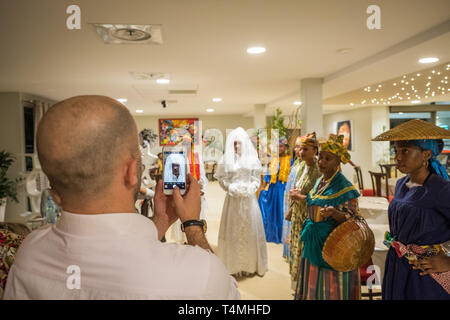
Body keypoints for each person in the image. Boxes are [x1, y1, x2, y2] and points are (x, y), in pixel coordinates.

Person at [4, 95, 240, 300]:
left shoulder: (30, 254)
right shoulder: (195, 273)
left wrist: (159, 223)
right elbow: (228, 293)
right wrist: (192, 226)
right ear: (130, 171)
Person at [372, 119, 450, 299]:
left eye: (405, 151)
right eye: (396, 151)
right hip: (398, 266)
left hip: (425, 276)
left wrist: (448, 261)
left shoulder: (441, 189)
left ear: (426, 155)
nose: (398, 157)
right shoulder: (401, 184)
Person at [294, 134, 361, 300]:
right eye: (321, 157)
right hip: (313, 241)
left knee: (330, 286)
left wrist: (335, 213)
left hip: (333, 244)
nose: (321, 162)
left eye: (328, 159)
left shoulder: (344, 187)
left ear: (337, 162)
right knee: (313, 279)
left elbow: (353, 219)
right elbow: (313, 202)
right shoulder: (321, 181)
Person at [214, 127, 268, 277]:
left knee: (250, 230)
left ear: (245, 143)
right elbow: (221, 179)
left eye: (239, 143)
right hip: (232, 201)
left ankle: (251, 264)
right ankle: (233, 265)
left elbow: (257, 179)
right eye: (234, 144)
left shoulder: (253, 159)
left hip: (249, 201)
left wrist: (251, 188)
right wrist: (230, 187)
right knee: (233, 230)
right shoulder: (226, 159)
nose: (236, 146)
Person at [283, 133, 321, 290]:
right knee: (296, 248)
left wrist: (301, 197)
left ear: (315, 150)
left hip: (309, 217)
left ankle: (307, 286)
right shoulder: (300, 167)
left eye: (306, 149)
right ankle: (298, 285)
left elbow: (321, 197)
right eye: (300, 149)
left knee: (305, 251)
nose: (301, 152)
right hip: (298, 215)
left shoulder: (319, 170)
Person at [258, 137, 293, 243]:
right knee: (271, 212)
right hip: (273, 189)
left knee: (282, 212)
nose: (279, 148)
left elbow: (291, 176)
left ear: (286, 147)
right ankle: (271, 235)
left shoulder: (290, 159)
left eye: (281, 146)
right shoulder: (272, 159)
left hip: (283, 189)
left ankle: (282, 235)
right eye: (277, 146)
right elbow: (267, 175)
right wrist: (263, 187)